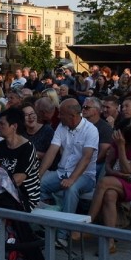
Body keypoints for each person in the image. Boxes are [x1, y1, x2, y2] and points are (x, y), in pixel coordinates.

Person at [81, 119, 131, 254]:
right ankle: (110, 242)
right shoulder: (118, 138)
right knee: (109, 194)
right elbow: (108, 165)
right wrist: (116, 173)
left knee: (104, 182)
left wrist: (121, 146)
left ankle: (88, 224)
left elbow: (128, 169)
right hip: (118, 178)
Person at [37, 98, 99, 247]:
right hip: (62, 172)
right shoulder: (61, 127)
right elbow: (52, 152)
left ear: (72, 116)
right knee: (37, 185)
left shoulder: (91, 130)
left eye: (61, 114)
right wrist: (38, 175)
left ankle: (63, 235)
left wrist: (72, 179)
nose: (58, 116)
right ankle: (47, 222)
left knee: (71, 189)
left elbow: (86, 158)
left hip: (85, 176)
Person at [0, 107, 41, 211]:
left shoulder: (28, 148)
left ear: (14, 126)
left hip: (25, 196)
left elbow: (18, 179)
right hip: (4, 192)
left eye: (2, 124)